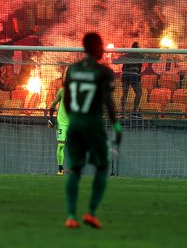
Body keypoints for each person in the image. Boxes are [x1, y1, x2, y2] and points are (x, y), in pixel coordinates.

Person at [63, 33, 122, 230]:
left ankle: (71, 216)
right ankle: (91, 213)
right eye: (101, 45)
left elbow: (68, 100)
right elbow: (108, 101)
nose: (103, 48)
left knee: (75, 170)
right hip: (93, 124)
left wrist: (75, 119)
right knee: (102, 166)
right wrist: (116, 125)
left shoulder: (72, 70)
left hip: (75, 123)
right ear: (95, 47)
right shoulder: (103, 72)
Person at [119, 42, 144, 118]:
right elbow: (139, 69)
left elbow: (120, 64)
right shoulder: (140, 56)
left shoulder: (126, 55)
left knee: (125, 94)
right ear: (137, 48)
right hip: (133, 75)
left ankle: (122, 113)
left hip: (125, 75)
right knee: (139, 93)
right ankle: (134, 112)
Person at [48, 87, 68, 176]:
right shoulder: (62, 91)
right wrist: (50, 117)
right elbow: (54, 103)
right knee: (60, 145)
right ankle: (60, 169)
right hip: (62, 123)